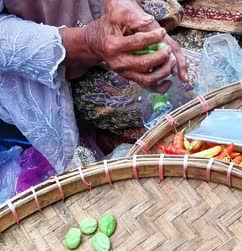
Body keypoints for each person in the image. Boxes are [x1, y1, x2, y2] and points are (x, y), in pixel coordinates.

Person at [0, 0, 187, 170]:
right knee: (182, 98)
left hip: (124, 18)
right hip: (55, 65)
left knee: (187, 79)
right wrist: (88, 42)